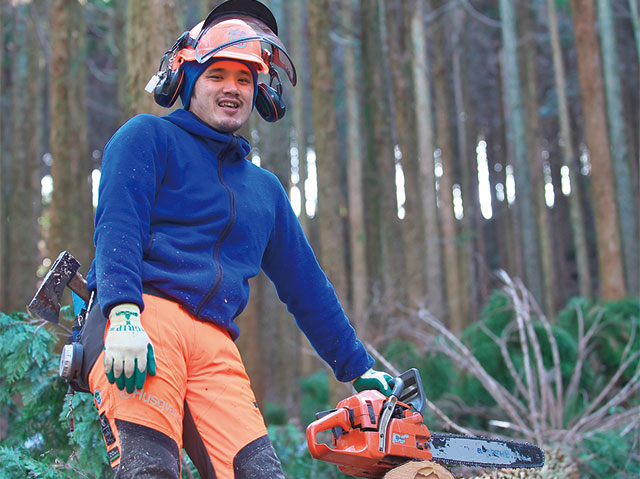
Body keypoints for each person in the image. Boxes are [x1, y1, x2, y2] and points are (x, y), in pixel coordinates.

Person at [82, 1, 393, 477]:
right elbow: (118, 226)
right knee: (149, 469)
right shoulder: (147, 137)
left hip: (216, 343)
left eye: (245, 79)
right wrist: (122, 313)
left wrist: (359, 369)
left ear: (260, 92)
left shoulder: (264, 191)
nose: (232, 88)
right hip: (144, 318)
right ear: (186, 82)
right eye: (217, 75)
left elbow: (308, 288)